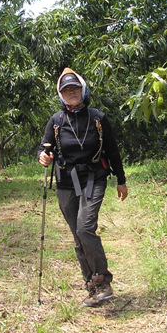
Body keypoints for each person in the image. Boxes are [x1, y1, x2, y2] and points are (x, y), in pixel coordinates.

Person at [38, 68, 128, 307]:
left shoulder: (98, 118)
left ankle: (102, 280)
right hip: (66, 182)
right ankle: (90, 284)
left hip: (94, 177)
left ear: (83, 90)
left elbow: (113, 150)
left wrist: (121, 180)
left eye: (75, 88)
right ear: (60, 94)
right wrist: (44, 157)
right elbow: (44, 149)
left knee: (85, 228)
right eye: (66, 90)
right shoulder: (56, 121)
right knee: (78, 235)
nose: (72, 93)